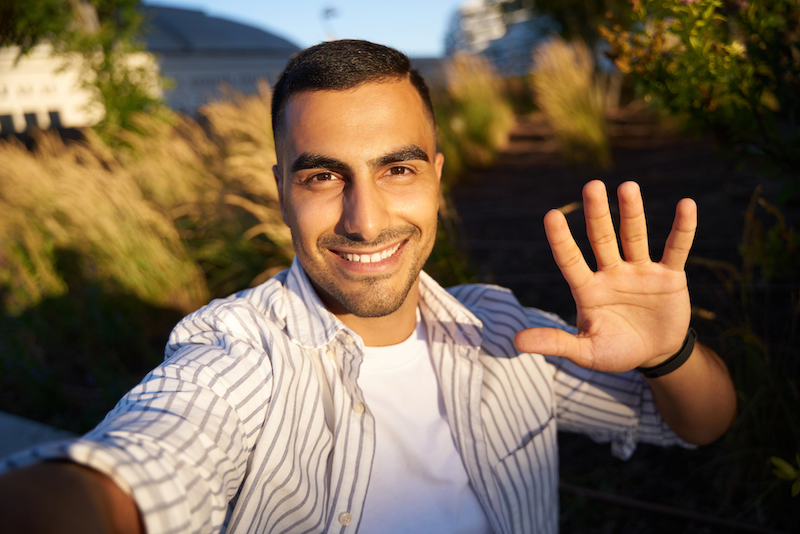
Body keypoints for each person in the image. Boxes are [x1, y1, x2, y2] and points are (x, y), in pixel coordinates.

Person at [0, 40, 736, 534]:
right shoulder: (234, 352)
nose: (365, 218)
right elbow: (145, 462)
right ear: (282, 191)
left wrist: (669, 355)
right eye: (323, 176)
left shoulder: (505, 330)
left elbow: (697, 422)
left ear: (437, 179)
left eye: (397, 169)